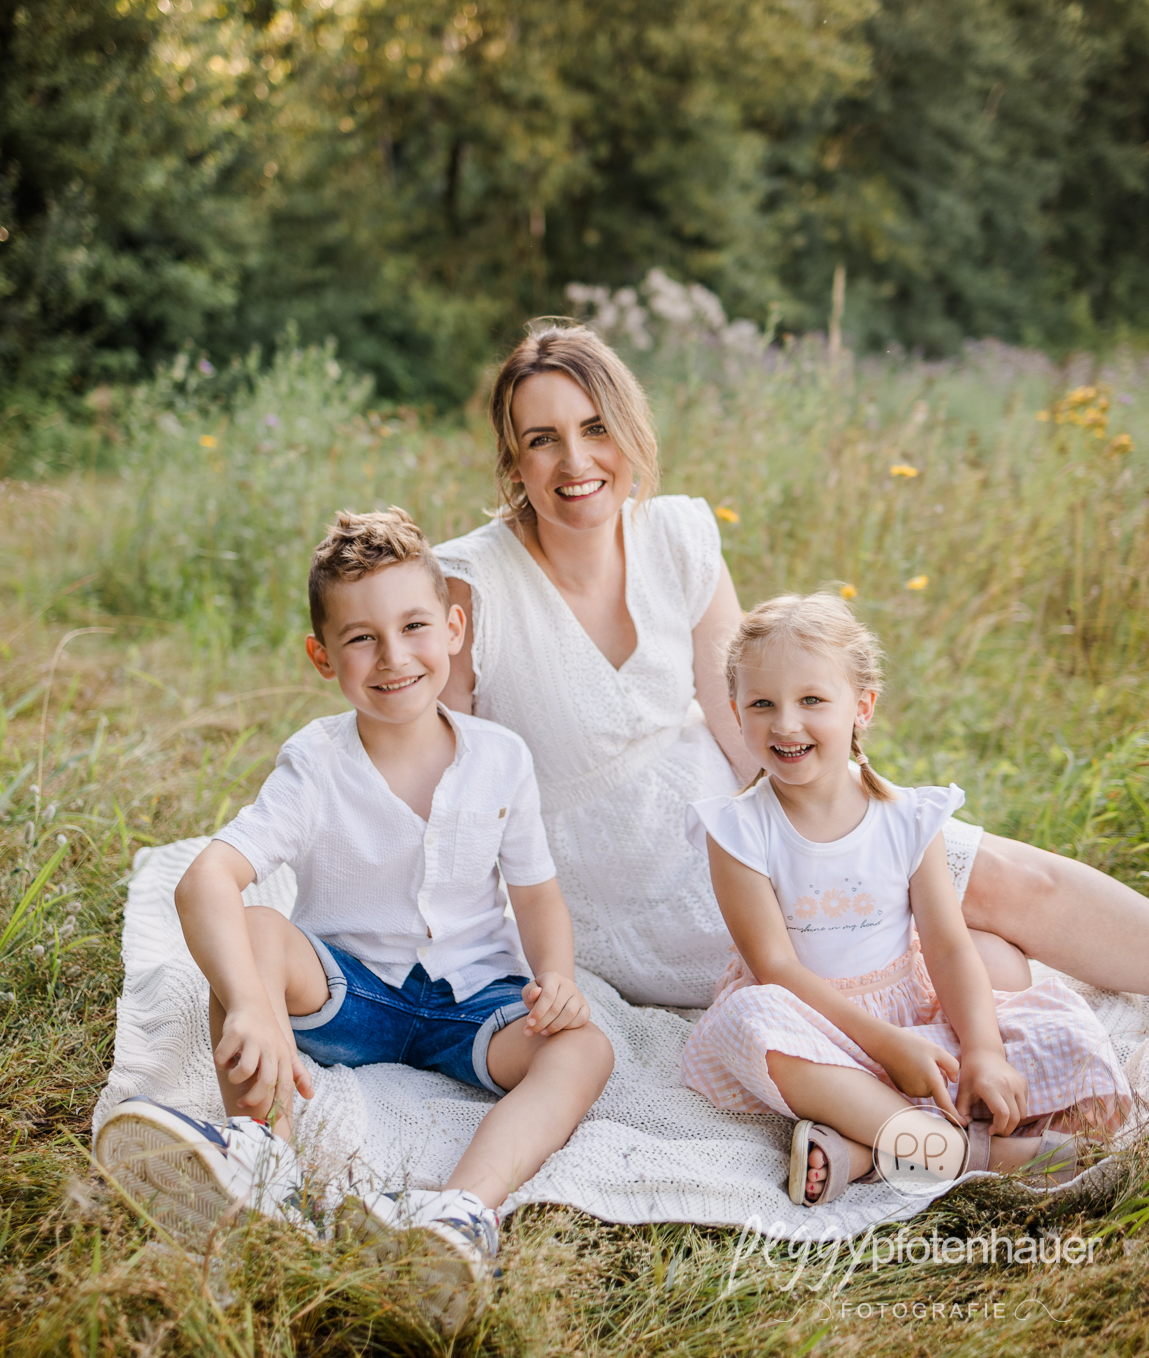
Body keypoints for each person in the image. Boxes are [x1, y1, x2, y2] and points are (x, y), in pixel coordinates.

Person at [437, 322, 1149, 1006]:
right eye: (542, 439)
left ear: (630, 430)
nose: (575, 461)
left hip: (749, 819)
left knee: (1002, 887)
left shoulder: (677, 534)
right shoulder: (472, 585)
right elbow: (442, 790)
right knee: (984, 956)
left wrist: (846, 834)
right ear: (513, 461)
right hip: (622, 892)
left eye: (596, 428)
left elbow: (744, 724)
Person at [96, 508, 613, 1329]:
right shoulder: (316, 762)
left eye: (413, 627)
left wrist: (554, 977)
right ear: (323, 658)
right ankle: (262, 1161)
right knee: (253, 936)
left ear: (453, 628)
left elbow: (536, 895)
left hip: (475, 1005)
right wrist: (254, 1006)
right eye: (362, 639)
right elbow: (204, 880)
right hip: (349, 997)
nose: (394, 657)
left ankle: (457, 1214)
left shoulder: (501, 758)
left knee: (584, 1049)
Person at [681, 593, 1130, 1206]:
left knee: (1043, 1015)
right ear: (736, 712)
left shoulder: (908, 817)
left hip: (906, 1007)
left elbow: (946, 947)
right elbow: (776, 967)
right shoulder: (736, 830)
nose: (785, 724)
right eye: (762, 704)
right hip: (810, 1019)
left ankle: (864, 1149)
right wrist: (886, 1046)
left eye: (812, 700)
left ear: (861, 707)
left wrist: (983, 1051)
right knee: (748, 1020)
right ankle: (970, 1154)